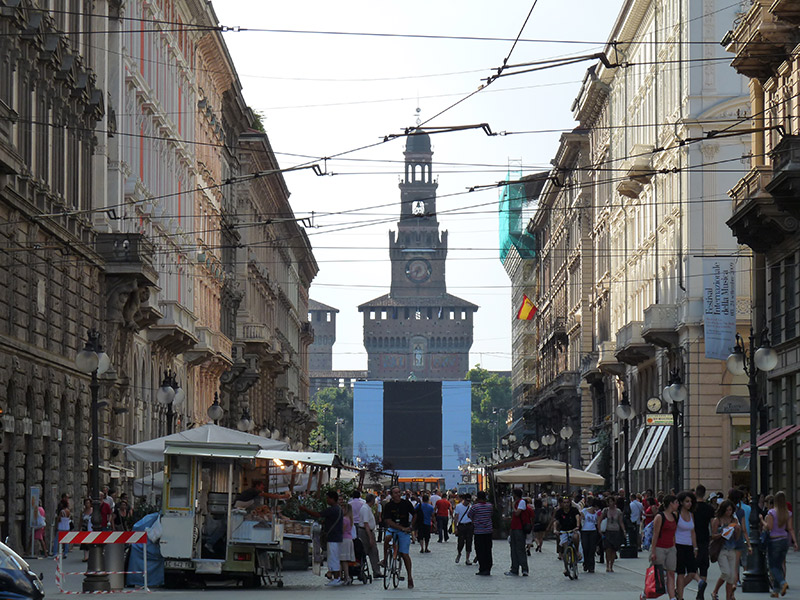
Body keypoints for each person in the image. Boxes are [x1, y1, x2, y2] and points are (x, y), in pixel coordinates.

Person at [300, 490, 344, 586]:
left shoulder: (333, 509)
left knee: (333, 557)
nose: (327, 500)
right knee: (334, 557)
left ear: (332, 499)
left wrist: (305, 509)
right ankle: (336, 577)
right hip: (337, 536)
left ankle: (337, 578)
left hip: (333, 537)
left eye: (328, 498)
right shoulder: (338, 509)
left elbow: (318, 514)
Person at [643, 495, 679, 600]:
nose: (677, 504)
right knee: (656, 573)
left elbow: (674, 534)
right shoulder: (659, 517)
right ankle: (645, 593)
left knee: (671, 573)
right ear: (671, 504)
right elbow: (655, 534)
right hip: (659, 548)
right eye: (676, 502)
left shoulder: (675, 516)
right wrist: (653, 551)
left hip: (671, 548)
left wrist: (674, 547)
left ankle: (672, 597)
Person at [764, 491, 797, 598]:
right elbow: (790, 528)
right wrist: (795, 542)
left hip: (774, 541)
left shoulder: (771, 512)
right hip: (784, 541)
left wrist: (761, 520)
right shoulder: (788, 513)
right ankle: (776, 591)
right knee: (779, 565)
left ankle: (783, 583)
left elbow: (769, 527)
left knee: (773, 566)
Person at [382, 486, 416, 589]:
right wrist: (400, 528)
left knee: (405, 554)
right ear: (391, 495)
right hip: (393, 529)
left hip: (404, 529)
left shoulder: (406, 503)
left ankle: (410, 577)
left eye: (399, 492)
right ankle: (385, 559)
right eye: (395, 493)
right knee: (387, 538)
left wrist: (411, 527)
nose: (397, 494)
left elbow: (415, 514)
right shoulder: (388, 505)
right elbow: (388, 520)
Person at [710, 500, 740, 600]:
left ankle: (728, 597)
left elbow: (736, 538)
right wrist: (722, 534)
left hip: (732, 548)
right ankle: (715, 591)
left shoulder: (734, 520)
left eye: (730, 510)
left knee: (731, 576)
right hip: (721, 549)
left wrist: (737, 530)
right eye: (727, 510)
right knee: (726, 573)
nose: (729, 512)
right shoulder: (717, 520)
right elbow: (713, 536)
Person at [675, 491, 700, 600]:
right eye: (687, 501)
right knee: (680, 572)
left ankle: (677, 590)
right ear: (681, 502)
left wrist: (695, 547)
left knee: (692, 571)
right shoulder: (677, 514)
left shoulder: (691, 515)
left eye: (690, 501)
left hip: (689, 546)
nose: (689, 504)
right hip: (678, 545)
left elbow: (693, 531)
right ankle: (680, 597)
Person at [693, 485, 715, 600]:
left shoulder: (692, 507)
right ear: (705, 494)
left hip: (693, 539)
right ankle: (700, 591)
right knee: (704, 565)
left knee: (693, 565)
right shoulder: (709, 508)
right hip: (705, 538)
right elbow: (712, 525)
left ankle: (700, 582)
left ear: (696, 493)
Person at [467, 490, 494, 576]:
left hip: (479, 531)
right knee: (488, 550)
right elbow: (491, 514)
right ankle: (488, 567)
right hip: (488, 531)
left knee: (480, 550)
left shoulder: (475, 507)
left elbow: (469, 515)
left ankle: (482, 568)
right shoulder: (490, 506)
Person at [553, 496, 581, 573]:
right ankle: (566, 567)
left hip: (573, 530)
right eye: (564, 502)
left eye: (567, 502)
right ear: (562, 503)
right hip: (564, 531)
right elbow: (556, 521)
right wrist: (555, 529)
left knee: (575, 536)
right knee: (566, 549)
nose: (566, 504)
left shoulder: (574, 510)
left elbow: (577, 518)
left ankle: (577, 551)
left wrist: (577, 526)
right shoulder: (559, 512)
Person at [357, 493, 383, 578]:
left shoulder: (367, 508)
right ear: (372, 500)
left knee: (373, 552)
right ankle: (362, 570)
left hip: (367, 531)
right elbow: (366, 524)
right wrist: (370, 537)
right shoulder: (365, 509)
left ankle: (376, 571)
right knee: (366, 551)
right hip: (365, 532)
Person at [505, 488, 529, 576]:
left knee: (520, 549)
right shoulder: (517, 502)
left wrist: (512, 506)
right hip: (514, 528)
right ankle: (514, 569)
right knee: (513, 549)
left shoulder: (521, 502)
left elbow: (517, 513)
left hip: (519, 528)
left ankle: (524, 569)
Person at [600, 495, 625, 572]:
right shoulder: (605, 510)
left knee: (614, 550)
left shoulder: (618, 511)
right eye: (609, 502)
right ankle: (607, 565)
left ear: (614, 502)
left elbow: (621, 522)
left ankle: (611, 565)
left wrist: (624, 531)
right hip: (608, 531)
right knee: (608, 549)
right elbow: (600, 519)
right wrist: (599, 529)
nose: (610, 503)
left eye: (612, 501)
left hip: (616, 531)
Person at [581, 498, 601, 573]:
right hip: (585, 531)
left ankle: (591, 566)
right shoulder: (585, 511)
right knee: (585, 548)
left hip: (593, 531)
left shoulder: (597, 513)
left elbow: (597, 522)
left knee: (592, 549)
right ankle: (585, 563)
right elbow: (581, 519)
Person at [454, 493, 473, 565]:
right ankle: (459, 553)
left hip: (469, 525)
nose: (468, 502)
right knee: (460, 542)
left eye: (469, 501)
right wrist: (455, 527)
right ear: (464, 500)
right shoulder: (458, 506)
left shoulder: (471, 507)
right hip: (461, 525)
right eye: (467, 501)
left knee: (469, 542)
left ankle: (467, 558)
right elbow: (456, 517)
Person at [339, 503, 356, 585]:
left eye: (343, 508)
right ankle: (345, 576)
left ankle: (346, 576)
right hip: (348, 539)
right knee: (343, 560)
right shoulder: (349, 519)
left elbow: (341, 530)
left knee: (343, 559)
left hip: (344, 540)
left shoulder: (344, 519)